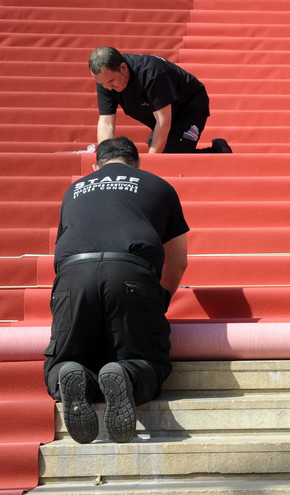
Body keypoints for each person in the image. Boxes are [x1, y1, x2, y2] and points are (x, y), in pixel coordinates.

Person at [42, 137, 189, 443]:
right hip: (130, 271)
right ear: (137, 164)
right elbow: (178, 260)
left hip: (73, 275)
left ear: (96, 166)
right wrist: (159, 301)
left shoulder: (74, 190)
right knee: (147, 360)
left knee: (65, 359)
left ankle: (73, 372)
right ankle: (128, 374)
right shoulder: (158, 185)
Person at [89, 46, 231, 154]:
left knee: (170, 153)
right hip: (160, 112)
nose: (108, 87)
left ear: (123, 68)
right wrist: (104, 157)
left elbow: (163, 122)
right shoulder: (105, 81)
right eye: (103, 84)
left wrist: (152, 162)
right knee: (158, 146)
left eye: (111, 81)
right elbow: (106, 122)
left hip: (189, 105)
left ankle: (217, 152)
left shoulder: (151, 73)